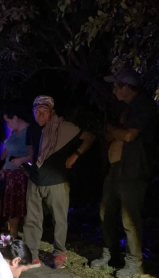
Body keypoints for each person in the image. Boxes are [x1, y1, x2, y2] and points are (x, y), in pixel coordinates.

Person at [10, 95, 96, 269]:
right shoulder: (32, 129)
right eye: (37, 111)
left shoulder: (65, 128)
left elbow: (90, 137)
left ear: (52, 112)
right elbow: (33, 151)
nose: (40, 115)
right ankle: (32, 256)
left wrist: (75, 155)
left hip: (57, 180)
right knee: (32, 220)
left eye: (44, 111)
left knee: (59, 219)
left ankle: (59, 253)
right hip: (35, 179)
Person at [90, 70, 158, 277]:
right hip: (117, 169)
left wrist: (112, 130)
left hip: (133, 169)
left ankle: (134, 262)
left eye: (118, 86)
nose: (114, 90)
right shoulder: (126, 108)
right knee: (106, 212)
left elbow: (129, 136)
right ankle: (111, 255)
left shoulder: (143, 106)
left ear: (128, 87)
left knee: (129, 217)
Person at [0, 105, 31, 238]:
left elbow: (34, 154)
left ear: (16, 118)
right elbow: (9, 154)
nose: (7, 124)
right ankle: (13, 236)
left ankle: (25, 237)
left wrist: (22, 160)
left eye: (8, 120)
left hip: (22, 175)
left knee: (22, 206)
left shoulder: (28, 131)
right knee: (12, 207)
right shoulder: (13, 133)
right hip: (11, 174)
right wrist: (3, 169)